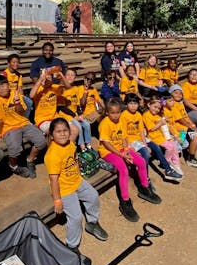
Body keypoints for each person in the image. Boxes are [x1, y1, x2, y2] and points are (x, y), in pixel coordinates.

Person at [45, 117, 108, 250]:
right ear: (51, 136)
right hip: (64, 189)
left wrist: (72, 121)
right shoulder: (52, 155)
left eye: (65, 131)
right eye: (58, 132)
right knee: (76, 217)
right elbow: (54, 180)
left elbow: (75, 128)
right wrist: (57, 201)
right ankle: (72, 245)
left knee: (93, 196)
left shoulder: (70, 143)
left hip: (77, 181)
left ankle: (92, 222)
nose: (63, 134)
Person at [98, 98, 161, 222]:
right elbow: (106, 144)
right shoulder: (105, 123)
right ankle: (125, 200)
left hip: (122, 149)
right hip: (109, 152)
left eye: (118, 112)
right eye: (113, 113)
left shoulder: (121, 120)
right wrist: (122, 155)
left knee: (142, 162)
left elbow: (124, 137)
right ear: (107, 113)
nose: (116, 115)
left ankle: (144, 187)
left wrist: (126, 149)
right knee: (123, 170)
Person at [0, 75, 47, 178]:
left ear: (8, 84)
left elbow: (21, 113)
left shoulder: (15, 93)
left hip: (23, 122)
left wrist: (17, 103)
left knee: (41, 141)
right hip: (9, 127)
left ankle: (30, 160)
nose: (1, 88)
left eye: (3, 85)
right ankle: (14, 166)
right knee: (15, 148)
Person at [123, 93, 182, 180]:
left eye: (135, 104)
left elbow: (141, 131)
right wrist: (128, 147)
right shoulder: (124, 115)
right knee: (146, 153)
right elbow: (123, 134)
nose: (133, 106)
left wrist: (145, 144)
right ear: (126, 104)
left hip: (140, 138)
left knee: (156, 147)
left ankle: (168, 170)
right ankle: (145, 177)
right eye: (130, 103)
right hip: (131, 140)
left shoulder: (138, 115)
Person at [142, 96, 184, 176]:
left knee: (174, 146)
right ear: (149, 105)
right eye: (155, 107)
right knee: (170, 147)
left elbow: (166, 126)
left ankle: (176, 163)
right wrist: (160, 123)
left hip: (162, 136)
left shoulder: (157, 116)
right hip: (154, 137)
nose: (156, 110)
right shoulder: (146, 115)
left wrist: (173, 135)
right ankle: (166, 161)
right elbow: (151, 129)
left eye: (158, 108)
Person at [166, 84, 197, 167]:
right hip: (179, 127)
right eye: (175, 93)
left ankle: (189, 154)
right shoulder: (173, 104)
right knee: (196, 136)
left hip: (185, 126)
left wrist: (192, 124)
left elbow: (185, 116)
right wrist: (190, 126)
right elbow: (180, 119)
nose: (178, 95)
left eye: (180, 93)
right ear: (170, 94)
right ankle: (190, 158)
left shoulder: (180, 103)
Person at [61, 69, 93, 151]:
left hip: (75, 114)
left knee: (86, 124)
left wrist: (80, 114)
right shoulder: (61, 89)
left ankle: (89, 146)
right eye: (68, 75)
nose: (70, 77)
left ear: (75, 78)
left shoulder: (75, 88)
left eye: (72, 75)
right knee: (78, 126)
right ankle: (83, 149)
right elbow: (63, 107)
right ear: (64, 77)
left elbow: (78, 104)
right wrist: (75, 116)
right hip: (66, 115)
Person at [2, 53, 34, 118]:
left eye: (17, 62)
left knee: (29, 102)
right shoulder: (4, 74)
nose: (16, 64)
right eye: (13, 62)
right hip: (8, 95)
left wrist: (21, 97)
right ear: (9, 63)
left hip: (17, 94)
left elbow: (20, 88)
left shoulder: (19, 75)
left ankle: (24, 118)